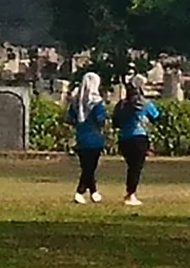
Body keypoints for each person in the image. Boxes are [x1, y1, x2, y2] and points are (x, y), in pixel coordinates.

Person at [113, 79, 159, 208]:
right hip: (139, 137)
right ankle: (131, 193)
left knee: (131, 166)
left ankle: (130, 191)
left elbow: (115, 121)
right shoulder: (144, 103)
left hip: (123, 138)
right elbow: (155, 116)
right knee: (136, 168)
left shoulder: (121, 104)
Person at [65, 72, 109, 205]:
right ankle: (80, 192)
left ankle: (93, 192)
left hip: (81, 138)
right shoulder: (96, 102)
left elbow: (69, 119)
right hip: (95, 139)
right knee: (90, 168)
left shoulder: (75, 102)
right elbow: (101, 120)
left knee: (86, 167)